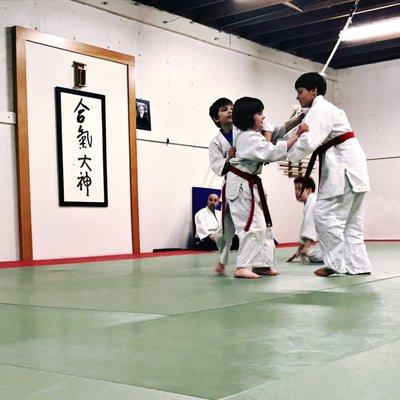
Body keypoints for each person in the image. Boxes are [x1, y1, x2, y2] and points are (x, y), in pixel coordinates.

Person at [208, 98, 305, 275]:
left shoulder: (245, 130)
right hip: (235, 184)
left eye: (231, 108)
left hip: (249, 183)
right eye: (224, 110)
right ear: (216, 118)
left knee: (263, 225)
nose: (229, 111)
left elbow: (271, 132)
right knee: (234, 228)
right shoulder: (221, 141)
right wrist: (229, 158)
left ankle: (261, 263)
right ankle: (235, 264)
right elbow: (218, 167)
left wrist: (295, 122)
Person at [288, 72, 371, 277]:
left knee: (325, 215)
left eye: (300, 92)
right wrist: (299, 119)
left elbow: (308, 141)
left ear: (314, 91)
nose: (297, 97)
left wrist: (286, 151)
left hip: (342, 168)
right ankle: (359, 265)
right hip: (353, 166)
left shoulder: (321, 108)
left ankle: (334, 264)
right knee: (351, 222)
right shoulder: (324, 110)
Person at [287, 176, 323, 263]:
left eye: (299, 189)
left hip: (333, 238)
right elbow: (305, 225)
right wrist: (300, 250)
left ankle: (342, 254)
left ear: (309, 190)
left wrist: (306, 246)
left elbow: (311, 223)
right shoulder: (310, 201)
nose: (296, 192)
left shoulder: (312, 199)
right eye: (295, 189)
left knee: (314, 256)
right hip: (329, 239)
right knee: (313, 254)